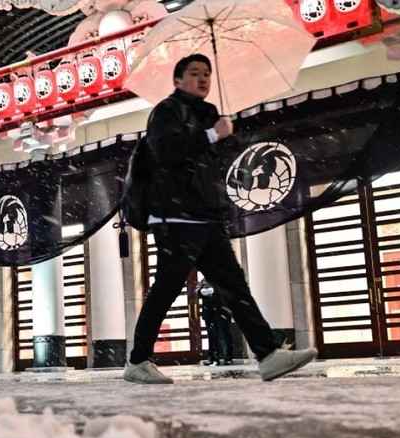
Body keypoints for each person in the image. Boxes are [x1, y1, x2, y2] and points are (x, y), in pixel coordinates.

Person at [123, 53, 317, 384]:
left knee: (234, 285)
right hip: (175, 216)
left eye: (207, 75)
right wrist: (211, 135)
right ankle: (138, 361)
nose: (202, 79)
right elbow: (166, 152)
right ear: (178, 80)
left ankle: (268, 354)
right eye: (195, 73)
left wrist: (225, 136)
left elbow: (207, 165)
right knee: (166, 289)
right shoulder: (167, 111)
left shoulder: (209, 114)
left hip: (205, 215)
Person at [198, 282, 234, 366]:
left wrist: (213, 290)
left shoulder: (221, 278)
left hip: (222, 311)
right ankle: (213, 358)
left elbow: (225, 292)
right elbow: (198, 291)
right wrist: (205, 291)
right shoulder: (204, 280)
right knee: (211, 335)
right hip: (209, 313)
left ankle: (228, 357)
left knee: (225, 334)